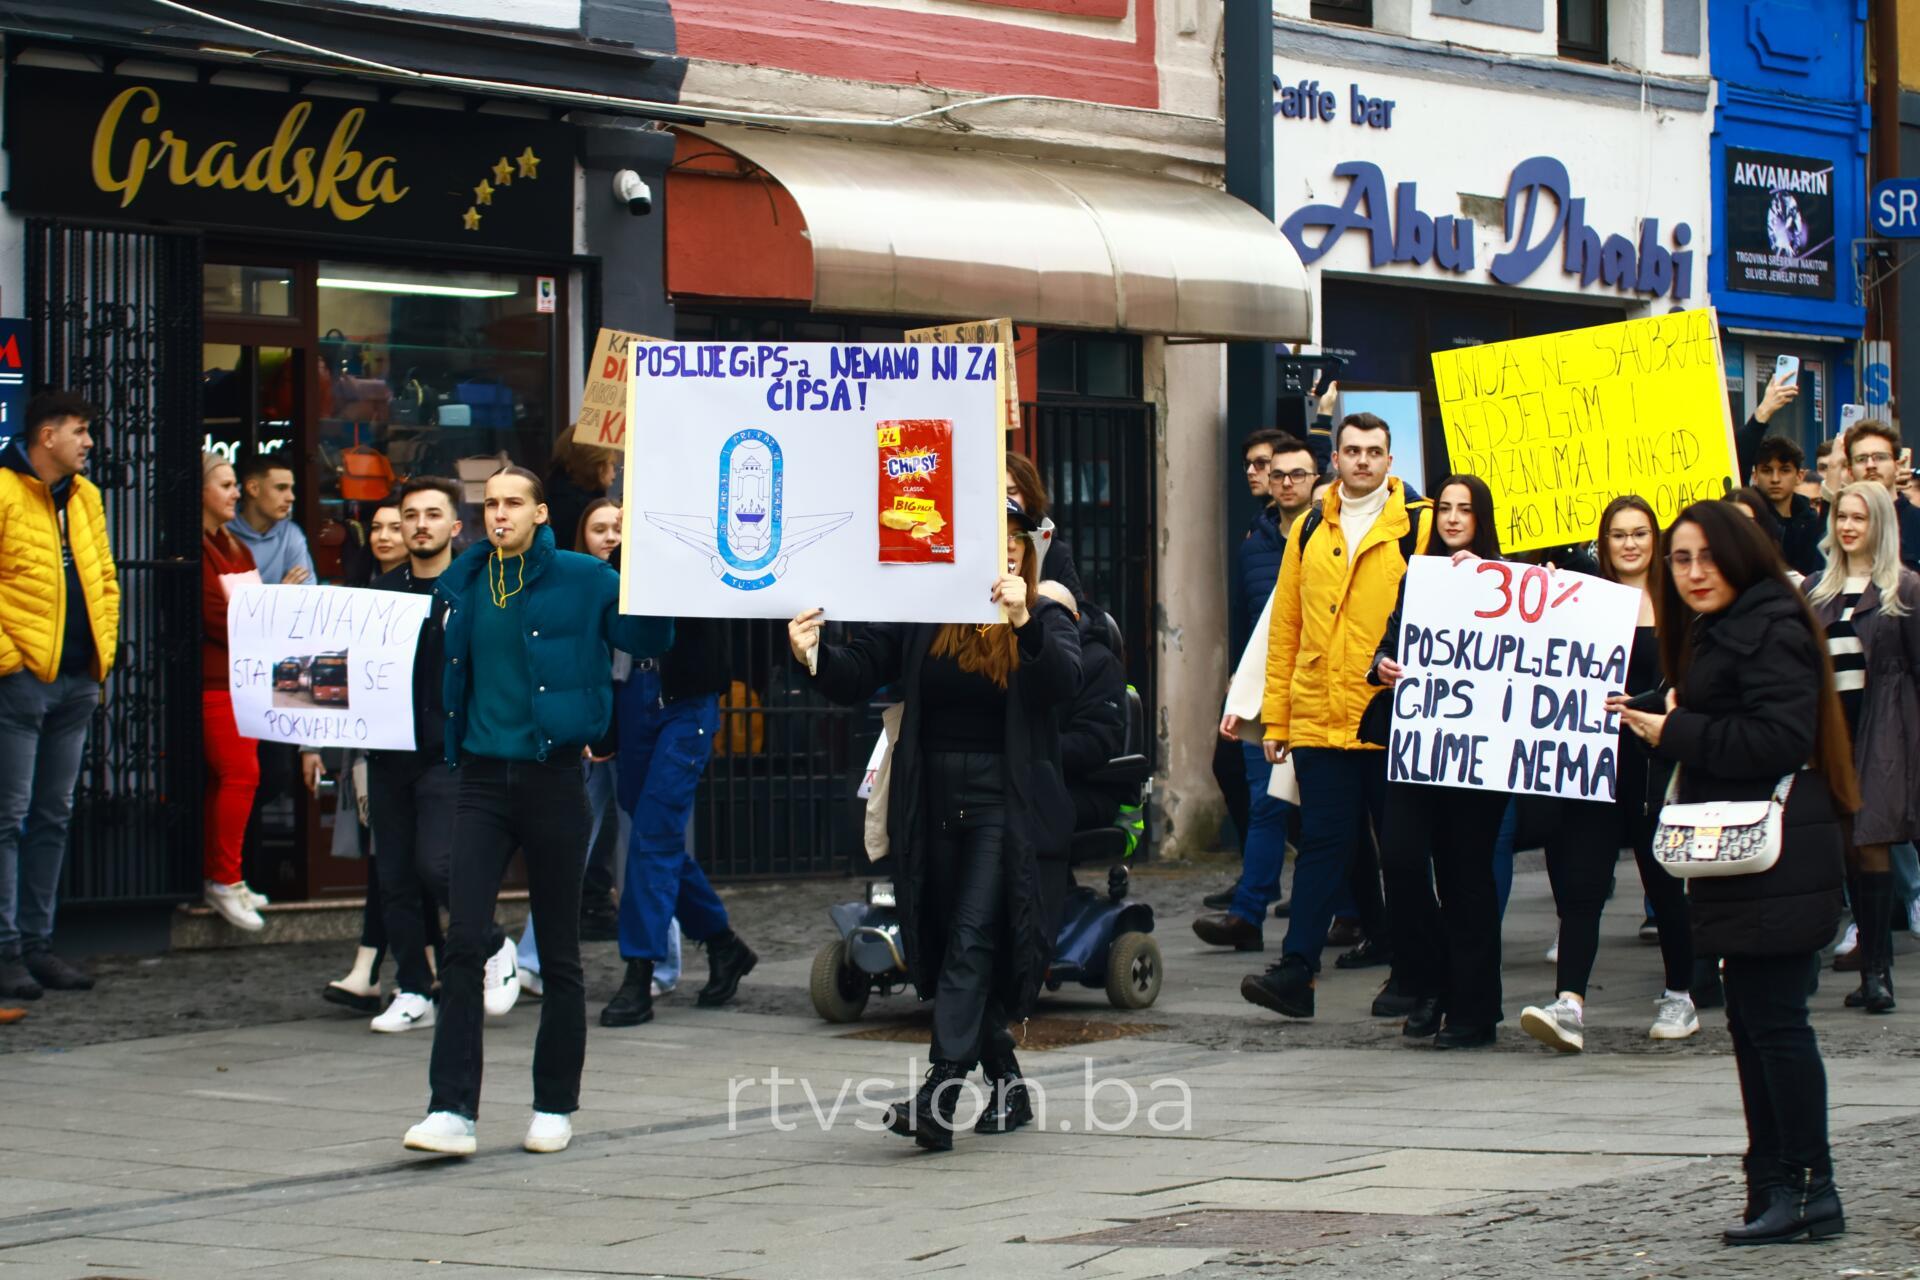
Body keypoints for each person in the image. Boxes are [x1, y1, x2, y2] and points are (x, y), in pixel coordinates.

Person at [790, 502, 1080, 1150]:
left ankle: (938, 1096)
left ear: (1028, 550)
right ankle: (1005, 1079)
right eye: (991, 539)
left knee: (974, 936)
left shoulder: (1045, 610)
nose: (1003, 552)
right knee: (950, 940)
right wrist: (813, 656)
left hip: (1001, 801)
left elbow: (1063, 682)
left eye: (1014, 541)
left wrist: (1024, 622)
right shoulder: (927, 607)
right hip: (934, 796)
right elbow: (861, 668)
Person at [403, 467, 671, 1157]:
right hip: (481, 782)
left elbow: (650, 640)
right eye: (490, 504)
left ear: (540, 512)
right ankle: (451, 1109)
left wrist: (652, 567)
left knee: (558, 951)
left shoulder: (585, 578)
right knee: (462, 941)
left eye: (513, 503)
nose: (499, 514)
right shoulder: (461, 581)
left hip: (555, 779)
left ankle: (554, 1101)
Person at [1617, 501, 1856, 1247]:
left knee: (1777, 1024)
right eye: (1679, 560)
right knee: (1753, 1023)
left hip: (1778, 849)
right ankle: (1774, 1182)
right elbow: (1721, 711)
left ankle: (1810, 1188)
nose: (1691, 574)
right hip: (1739, 852)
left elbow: (1779, 736)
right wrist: (1649, 711)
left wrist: (1676, 729)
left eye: (1704, 559)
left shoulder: (1771, 624)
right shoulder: (1723, 626)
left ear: (1739, 555)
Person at [1240, 412, 1430, 1020]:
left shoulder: (1417, 526)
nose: (1364, 461)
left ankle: (1410, 969)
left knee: (1401, 853)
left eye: (1375, 451)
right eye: (1352, 451)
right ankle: (1297, 970)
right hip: (1321, 714)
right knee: (1323, 845)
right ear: (1336, 460)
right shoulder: (1309, 529)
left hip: (1389, 719)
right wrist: (1277, 720)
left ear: (1390, 461)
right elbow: (1285, 627)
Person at [1518, 495, 1698, 1052]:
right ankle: (1569, 1001)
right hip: (1591, 767)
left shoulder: (1679, 605)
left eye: (1640, 533)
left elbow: (1684, 685)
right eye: (1618, 534)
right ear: (1603, 541)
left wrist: (1637, 703)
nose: (1629, 544)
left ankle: (1680, 994)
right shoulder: (1582, 599)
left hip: (1654, 770)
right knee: (1582, 888)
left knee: (1664, 886)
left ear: (1655, 538)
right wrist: (1544, 593)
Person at [1366, 476, 1508, 1049]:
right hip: (1418, 745)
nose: (1452, 518)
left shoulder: (1510, 580)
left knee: (1466, 876)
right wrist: (1383, 664)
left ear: (1481, 518)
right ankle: (1427, 984)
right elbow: (1390, 641)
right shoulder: (1419, 573)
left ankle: (1473, 1010)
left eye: (1465, 509)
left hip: (1478, 754)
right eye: (1445, 508)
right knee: (1400, 859)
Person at [593, 530, 747, 1029]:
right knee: (652, 835)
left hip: (684, 701)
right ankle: (723, 942)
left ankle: (639, 971)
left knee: (654, 837)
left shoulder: (707, 540)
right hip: (632, 691)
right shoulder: (626, 550)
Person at [0, 391, 119, 1000]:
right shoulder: (3, 489)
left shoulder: (86, 497)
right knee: (10, 817)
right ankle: (6, 951)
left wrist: (104, 657)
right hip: (21, 682)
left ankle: (37, 944)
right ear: (47, 436)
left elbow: (104, 577)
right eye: (80, 431)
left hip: (76, 681)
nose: (89, 442)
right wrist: (9, 662)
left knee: (53, 816)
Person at [1808, 481, 1920, 1014]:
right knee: (1848, 846)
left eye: (1859, 517)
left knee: (1873, 841)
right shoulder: (1816, 591)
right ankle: (1869, 965)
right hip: (1831, 733)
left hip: (1886, 730)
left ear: (1881, 524)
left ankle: (1878, 973)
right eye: (1841, 517)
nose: (1848, 526)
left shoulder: (1906, 589)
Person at [1206, 431, 1317, 916]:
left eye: (1295, 474)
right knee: (1265, 799)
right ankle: (1248, 911)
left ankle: (1351, 909)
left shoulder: (1328, 538)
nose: (1284, 482)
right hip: (1265, 687)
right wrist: (1238, 681)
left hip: (1317, 687)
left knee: (1324, 808)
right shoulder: (1255, 545)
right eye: (1276, 475)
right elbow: (1244, 617)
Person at [200, 453, 268, 931]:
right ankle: (223, 879)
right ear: (201, 490)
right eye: (225, 483)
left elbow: (256, 608)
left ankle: (230, 875)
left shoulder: (235, 546)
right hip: (214, 682)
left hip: (243, 678)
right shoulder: (200, 549)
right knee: (240, 775)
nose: (235, 492)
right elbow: (220, 615)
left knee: (242, 778)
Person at [1735, 376, 1823, 578]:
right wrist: (1763, 413)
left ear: (1799, 476)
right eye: (1767, 470)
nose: (1775, 479)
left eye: (1784, 470)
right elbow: (1738, 456)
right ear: (1755, 475)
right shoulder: (1748, 518)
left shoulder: (1813, 523)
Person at [1005, 451, 1086, 605]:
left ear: (1028, 495)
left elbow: (1076, 615)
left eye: (1011, 492)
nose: (1004, 499)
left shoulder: (1054, 551)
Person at [227, 452, 316, 586]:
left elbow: (305, 596)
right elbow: (227, 601)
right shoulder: (222, 532)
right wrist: (281, 593)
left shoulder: (291, 534)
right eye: (281, 488)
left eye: (291, 489)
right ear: (253, 488)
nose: (291, 497)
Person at [1843, 419, 1920, 571]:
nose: (1871, 465)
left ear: (1897, 466)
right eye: (1861, 459)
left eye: (1880, 457)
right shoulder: (1841, 526)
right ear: (1850, 470)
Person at [543, 438, 616, 572]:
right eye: (611, 463)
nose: (614, 474)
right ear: (597, 465)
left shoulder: (551, 497)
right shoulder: (581, 508)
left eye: (618, 530)